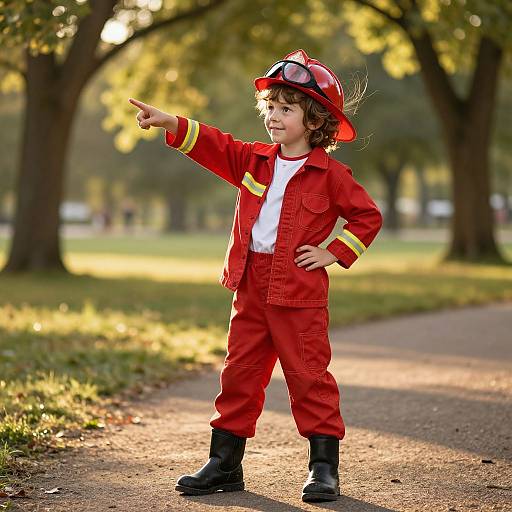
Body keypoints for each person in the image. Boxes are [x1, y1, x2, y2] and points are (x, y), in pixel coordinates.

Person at [129, 49, 382, 503]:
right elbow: (214, 144)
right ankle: (224, 463)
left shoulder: (333, 175)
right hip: (249, 285)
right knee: (239, 374)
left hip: (299, 291)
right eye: (270, 107)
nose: (273, 116)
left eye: (287, 108)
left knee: (308, 376)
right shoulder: (252, 160)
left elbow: (367, 217)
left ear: (315, 120)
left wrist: (333, 252)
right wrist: (170, 122)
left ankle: (323, 467)